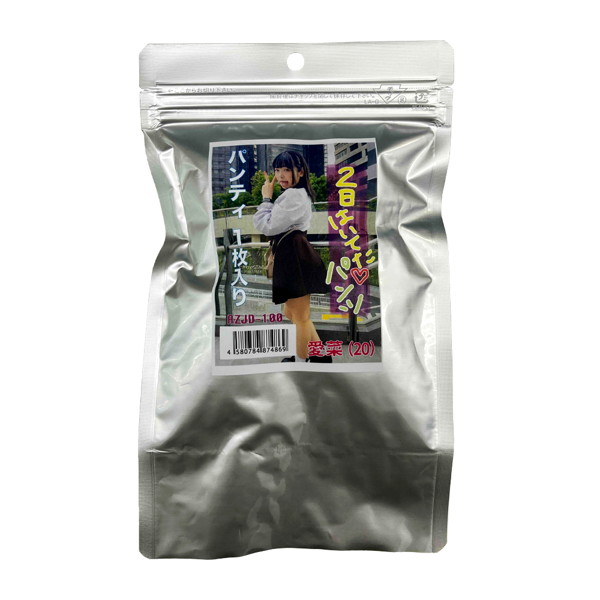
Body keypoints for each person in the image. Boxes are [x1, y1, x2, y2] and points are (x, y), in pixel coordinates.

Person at [253, 150, 331, 363]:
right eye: (277, 170)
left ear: (301, 172)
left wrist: (266, 199)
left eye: (287, 169)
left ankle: (302, 361)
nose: (280, 175)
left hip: (294, 256)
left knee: (299, 316)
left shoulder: (293, 195)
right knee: (292, 312)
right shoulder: (295, 194)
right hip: (293, 254)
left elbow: (267, 226)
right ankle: (320, 355)